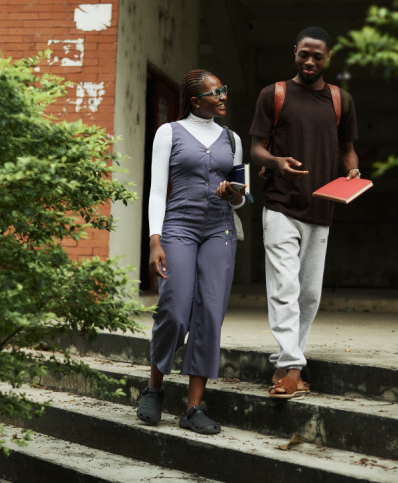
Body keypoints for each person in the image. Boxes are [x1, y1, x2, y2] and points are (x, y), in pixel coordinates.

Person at [249, 26, 360, 398]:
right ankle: (290, 369)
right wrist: (277, 162)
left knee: (309, 293)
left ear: (328, 57)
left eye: (318, 56)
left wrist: (353, 170)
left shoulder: (340, 100)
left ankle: (289, 359)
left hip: (322, 208)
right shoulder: (274, 94)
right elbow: (257, 150)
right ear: (294, 51)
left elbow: (348, 150)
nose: (310, 61)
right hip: (280, 204)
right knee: (285, 286)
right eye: (304, 54)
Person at [137, 69, 246, 434]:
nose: (223, 97)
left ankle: (194, 408)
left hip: (219, 229)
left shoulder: (232, 138)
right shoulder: (168, 132)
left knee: (210, 313)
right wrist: (155, 239)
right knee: (174, 307)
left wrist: (234, 193)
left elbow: (242, 195)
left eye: (224, 90)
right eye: (216, 92)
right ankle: (154, 388)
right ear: (196, 100)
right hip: (179, 226)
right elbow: (156, 191)